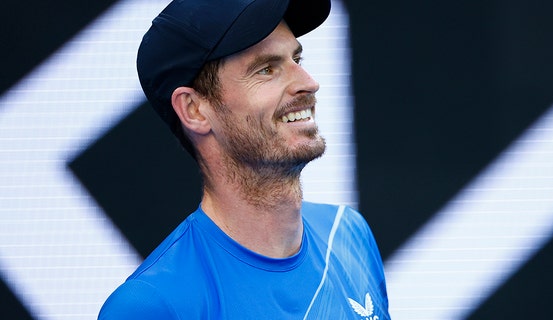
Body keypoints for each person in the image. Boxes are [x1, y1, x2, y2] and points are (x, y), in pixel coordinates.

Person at [98, 0, 390, 318]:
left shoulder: (348, 233)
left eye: (297, 58)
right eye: (266, 69)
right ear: (194, 110)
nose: (309, 83)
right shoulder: (153, 305)